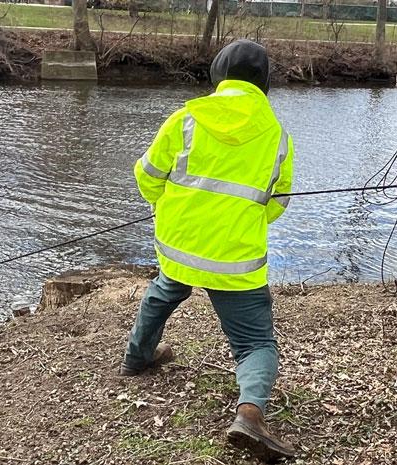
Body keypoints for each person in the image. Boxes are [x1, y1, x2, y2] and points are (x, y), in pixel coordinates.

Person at [121, 39, 297, 462]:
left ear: (217, 77)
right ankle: (250, 412)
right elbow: (277, 203)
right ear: (265, 83)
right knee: (255, 344)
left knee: (165, 290)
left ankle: (137, 357)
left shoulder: (185, 119)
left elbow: (145, 175)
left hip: (180, 244)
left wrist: (171, 210)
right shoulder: (277, 137)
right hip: (237, 258)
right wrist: (236, 224)